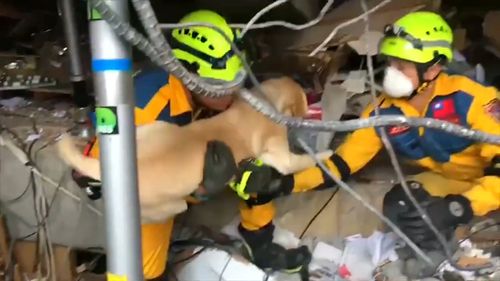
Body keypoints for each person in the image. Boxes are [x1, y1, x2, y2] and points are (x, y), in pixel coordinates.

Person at [232, 10, 499, 254]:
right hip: (451, 181)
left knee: (453, 209)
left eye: (402, 66)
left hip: (489, 180)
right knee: (403, 207)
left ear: (432, 68)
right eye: (392, 63)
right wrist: (285, 183)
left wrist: (459, 207)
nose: (392, 73)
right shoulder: (381, 113)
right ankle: (446, 257)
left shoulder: (473, 98)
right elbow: (340, 164)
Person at [72, 9, 308, 280]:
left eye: (236, 80)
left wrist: (246, 172)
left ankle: (258, 238)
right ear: (186, 72)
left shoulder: (219, 98)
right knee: (143, 245)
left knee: (261, 166)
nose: (230, 93)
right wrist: (203, 188)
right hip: (144, 185)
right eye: (218, 85)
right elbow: (94, 179)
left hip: (196, 163)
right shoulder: (143, 106)